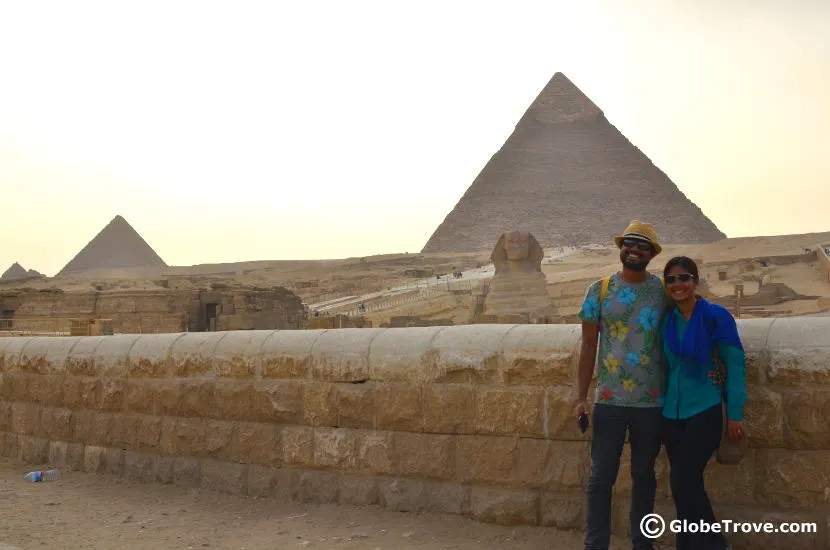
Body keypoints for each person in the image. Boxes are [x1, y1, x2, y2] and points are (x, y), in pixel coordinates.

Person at [576, 220, 670, 550]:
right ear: (621, 248)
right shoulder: (598, 290)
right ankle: (595, 545)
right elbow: (588, 347)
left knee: (645, 478)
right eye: (628, 243)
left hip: (651, 402)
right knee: (601, 479)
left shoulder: (663, 292)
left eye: (642, 245)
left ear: (652, 254)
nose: (633, 249)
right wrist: (580, 398)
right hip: (610, 400)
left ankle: (642, 545)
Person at [661, 256, 746, 550]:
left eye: (684, 278)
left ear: (695, 281)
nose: (678, 285)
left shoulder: (716, 316)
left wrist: (734, 414)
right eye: (670, 280)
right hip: (671, 413)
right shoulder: (667, 321)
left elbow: (735, 365)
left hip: (705, 408)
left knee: (682, 480)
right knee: (688, 484)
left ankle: (715, 545)